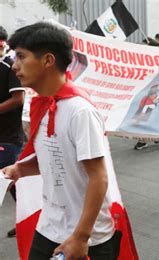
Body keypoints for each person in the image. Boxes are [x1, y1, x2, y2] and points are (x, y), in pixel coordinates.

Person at [2, 22, 120, 259]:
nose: (15, 66)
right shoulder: (42, 104)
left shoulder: (79, 111)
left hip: (87, 236)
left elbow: (99, 177)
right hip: (50, 226)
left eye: (22, 57)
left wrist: (81, 237)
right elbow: (58, 158)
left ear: (48, 60)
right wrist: (20, 169)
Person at [0, 25, 25, 238]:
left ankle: (29, 220)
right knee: (16, 186)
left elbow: (18, 99)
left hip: (9, 138)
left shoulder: (10, 66)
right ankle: (28, 220)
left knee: (11, 183)